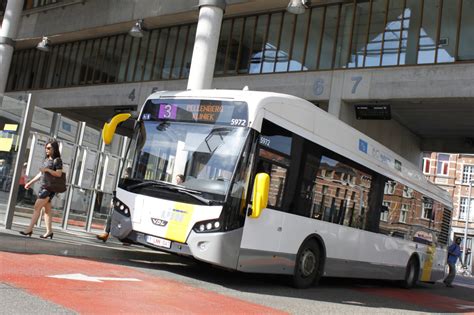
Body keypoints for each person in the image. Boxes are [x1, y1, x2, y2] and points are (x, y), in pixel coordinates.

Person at [20, 140, 63, 239]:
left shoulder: (57, 160)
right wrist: (30, 183)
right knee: (47, 211)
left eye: (48, 148)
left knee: (36, 207)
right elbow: (41, 174)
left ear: (54, 149)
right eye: (46, 148)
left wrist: (47, 170)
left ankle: (29, 229)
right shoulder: (46, 159)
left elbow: (59, 174)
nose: (46, 150)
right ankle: (49, 232)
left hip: (49, 188)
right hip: (43, 186)